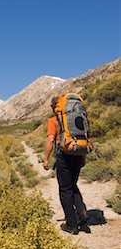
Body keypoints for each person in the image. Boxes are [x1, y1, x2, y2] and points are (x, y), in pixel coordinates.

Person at [43, 96, 88, 235]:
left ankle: (71, 224)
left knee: (65, 189)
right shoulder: (76, 117)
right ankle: (82, 213)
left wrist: (46, 158)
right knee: (73, 184)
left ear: (54, 108)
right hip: (79, 152)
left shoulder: (53, 120)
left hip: (64, 154)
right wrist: (83, 156)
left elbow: (51, 140)